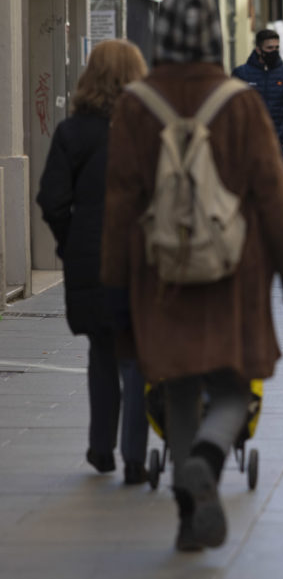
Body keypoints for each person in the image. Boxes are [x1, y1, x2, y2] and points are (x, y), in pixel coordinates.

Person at [101, 0, 283, 551]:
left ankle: (189, 513)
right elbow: (272, 193)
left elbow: (119, 205)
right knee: (231, 385)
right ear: (217, 35)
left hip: (157, 272)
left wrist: (115, 287)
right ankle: (209, 458)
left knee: (175, 384)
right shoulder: (239, 101)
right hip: (233, 274)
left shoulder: (135, 105)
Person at [36, 39, 150, 485]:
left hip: (91, 258)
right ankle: (136, 457)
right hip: (141, 256)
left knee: (102, 352)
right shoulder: (151, 130)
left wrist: (70, 244)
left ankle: (101, 448)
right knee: (136, 357)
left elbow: (51, 200)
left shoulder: (73, 132)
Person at [231, 29, 283, 185]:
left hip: (278, 144)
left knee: (281, 194)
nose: (274, 51)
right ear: (258, 49)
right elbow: (233, 109)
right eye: (269, 48)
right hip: (249, 145)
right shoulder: (241, 74)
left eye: (276, 48)